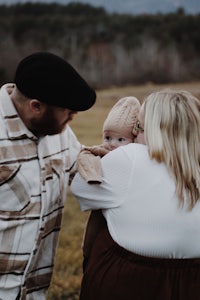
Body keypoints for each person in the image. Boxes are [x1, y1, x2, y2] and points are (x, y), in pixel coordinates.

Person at [71, 89, 200, 300]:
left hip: (131, 280)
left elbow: (82, 191)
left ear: (155, 130)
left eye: (138, 126)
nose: (132, 134)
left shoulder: (129, 157)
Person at [0, 51, 96, 299]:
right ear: (36, 106)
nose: (73, 117)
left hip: (34, 292)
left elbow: (80, 164)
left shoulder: (58, 132)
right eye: (68, 111)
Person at [76, 96, 140, 268]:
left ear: (134, 140)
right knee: (92, 239)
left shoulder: (135, 159)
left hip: (126, 214)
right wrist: (93, 173)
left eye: (120, 140)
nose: (112, 144)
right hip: (101, 208)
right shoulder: (101, 152)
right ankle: (88, 259)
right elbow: (86, 155)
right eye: (107, 137)